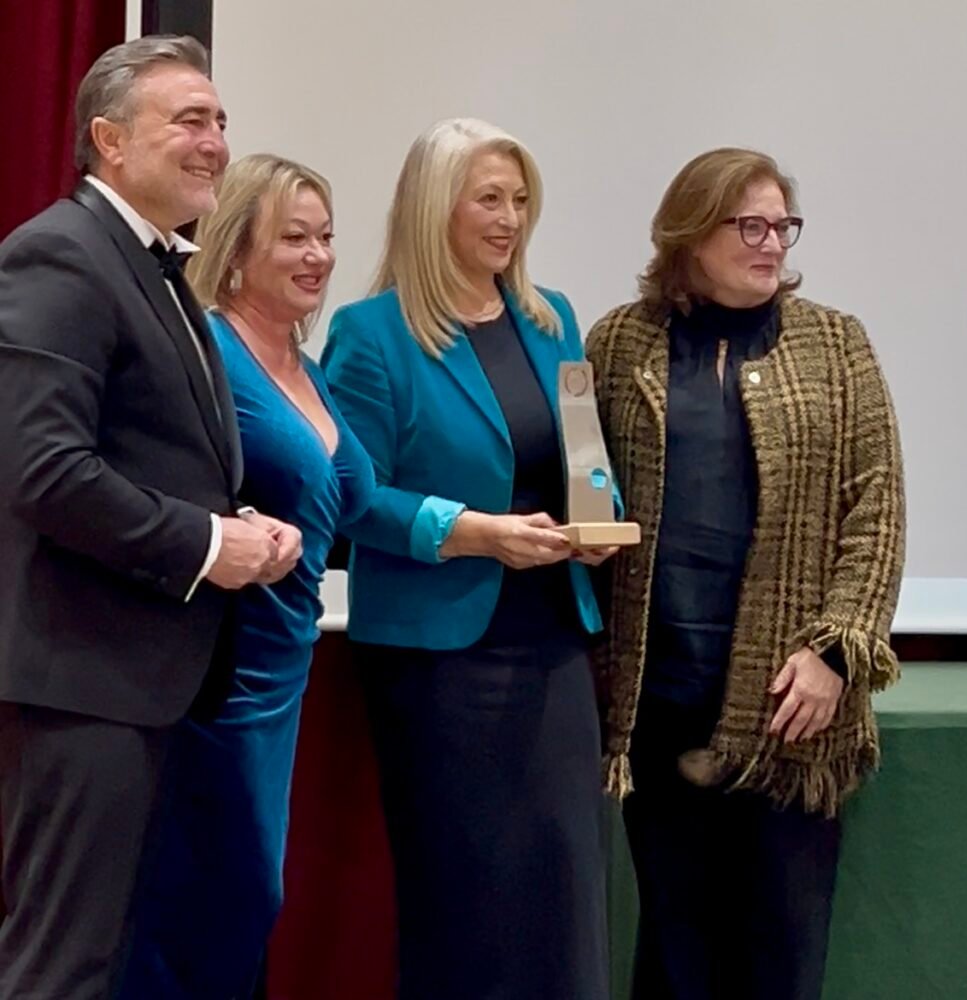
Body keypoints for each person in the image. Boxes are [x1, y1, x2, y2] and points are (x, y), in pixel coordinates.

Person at [0, 36, 301, 999]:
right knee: (64, 964)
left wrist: (240, 520)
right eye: (190, 120)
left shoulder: (159, 266)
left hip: (152, 683)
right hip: (84, 684)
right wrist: (209, 544)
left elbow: (149, 454)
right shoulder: (61, 254)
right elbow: (43, 469)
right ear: (110, 140)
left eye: (221, 121)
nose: (215, 142)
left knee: (120, 957)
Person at [586, 147, 906, 1000]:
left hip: (791, 709)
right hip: (660, 699)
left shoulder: (836, 344)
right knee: (676, 954)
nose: (772, 244)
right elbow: (585, 484)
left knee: (780, 958)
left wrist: (836, 654)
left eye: (782, 226)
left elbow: (877, 511)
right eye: (751, 226)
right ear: (691, 233)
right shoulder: (619, 342)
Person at [322, 118, 614, 1000]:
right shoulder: (371, 334)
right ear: (433, 206)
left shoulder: (551, 318)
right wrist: (478, 532)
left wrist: (601, 520)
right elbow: (355, 498)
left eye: (520, 199)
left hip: (554, 644)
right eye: (489, 198)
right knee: (467, 897)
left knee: (565, 891)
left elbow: (584, 458)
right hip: (440, 664)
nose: (511, 219)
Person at [118, 154, 376, 999]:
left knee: (241, 908)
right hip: (220, 679)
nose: (318, 256)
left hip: (283, 675)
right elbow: (158, 487)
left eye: (326, 236)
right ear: (235, 249)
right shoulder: (208, 352)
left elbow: (351, 504)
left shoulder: (302, 364)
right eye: (294, 238)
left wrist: (470, 530)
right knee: (211, 904)